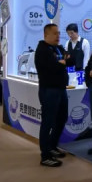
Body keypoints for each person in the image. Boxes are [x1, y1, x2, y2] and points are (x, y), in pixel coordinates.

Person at [35, 24, 73, 167]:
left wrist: (63, 62)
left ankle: (52, 146)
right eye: (55, 33)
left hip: (61, 89)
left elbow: (72, 60)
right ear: (46, 35)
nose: (58, 36)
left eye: (59, 33)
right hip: (49, 90)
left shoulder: (59, 48)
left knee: (62, 118)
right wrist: (62, 62)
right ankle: (45, 156)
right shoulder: (42, 50)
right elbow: (52, 67)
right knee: (48, 122)